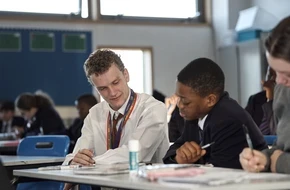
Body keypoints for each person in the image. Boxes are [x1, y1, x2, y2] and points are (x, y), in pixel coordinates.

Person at [63, 49, 169, 166]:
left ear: (126, 75)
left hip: (144, 182)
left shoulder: (153, 109)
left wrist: (91, 162)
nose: (112, 93)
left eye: (115, 82)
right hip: (104, 183)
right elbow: (78, 154)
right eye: (103, 88)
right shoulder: (95, 113)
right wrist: (73, 161)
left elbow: (135, 154)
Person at [163, 57, 267, 169]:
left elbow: (220, 173)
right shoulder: (195, 114)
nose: (180, 105)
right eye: (178, 98)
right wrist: (179, 159)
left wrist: (193, 162)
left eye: (185, 101)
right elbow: (176, 147)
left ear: (210, 100)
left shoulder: (228, 120)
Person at [240, 16, 290, 174]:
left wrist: (278, 162)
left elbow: (281, 158)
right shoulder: (284, 92)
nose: (280, 81)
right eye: (276, 72)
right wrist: (264, 159)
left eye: (287, 74)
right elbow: (281, 148)